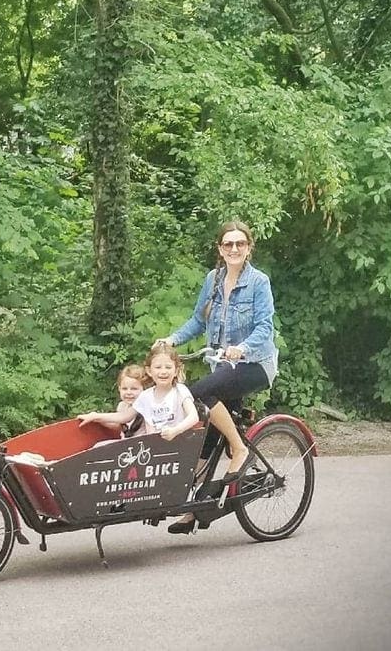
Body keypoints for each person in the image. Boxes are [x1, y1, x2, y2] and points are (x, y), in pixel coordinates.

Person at [154, 220, 277, 534]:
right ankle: (195, 510)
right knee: (207, 435)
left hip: (254, 365)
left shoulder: (259, 282)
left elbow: (265, 328)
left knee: (196, 395)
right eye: (228, 244)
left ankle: (240, 449)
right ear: (220, 249)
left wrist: (241, 348)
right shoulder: (213, 279)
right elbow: (198, 319)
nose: (234, 249)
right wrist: (172, 340)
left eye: (240, 244)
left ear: (248, 247)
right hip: (222, 368)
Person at [78, 344, 199, 441]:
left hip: (176, 444)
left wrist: (175, 431)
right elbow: (124, 416)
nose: (163, 372)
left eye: (168, 367)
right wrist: (96, 416)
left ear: (176, 370)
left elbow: (193, 417)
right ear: (149, 371)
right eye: (158, 367)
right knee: (100, 447)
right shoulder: (146, 396)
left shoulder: (179, 390)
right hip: (152, 447)